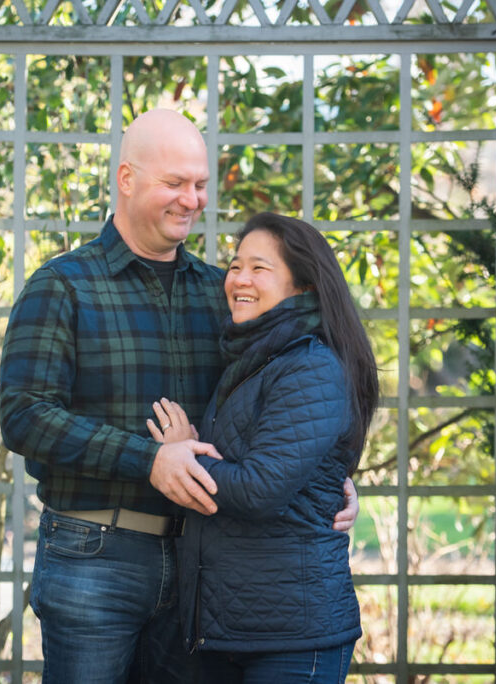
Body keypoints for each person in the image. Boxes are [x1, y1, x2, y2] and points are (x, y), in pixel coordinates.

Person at [0, 109, 357, 684]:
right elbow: (25, 417)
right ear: (126, 179)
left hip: (206, 565)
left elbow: (277, 408)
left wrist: (323, 480)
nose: (191, 200)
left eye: (199, 185)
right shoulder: (62, 285)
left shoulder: (221, 291)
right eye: (174, 183)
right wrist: (150, 460)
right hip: (95, 555)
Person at [148, 212, 379, 684]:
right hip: (236, 629)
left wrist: (182, 455)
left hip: (294, 637)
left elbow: (260, 487)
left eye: (259, 268)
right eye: (235, 266)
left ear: (304, 288)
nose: (240, 279)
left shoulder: (309, 367)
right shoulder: (253, 359)